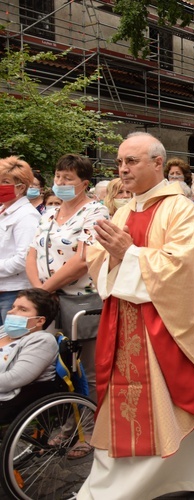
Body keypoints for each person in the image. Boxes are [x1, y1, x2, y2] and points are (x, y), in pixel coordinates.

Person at [78, 132, 194, 499]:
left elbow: (185, 269)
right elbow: (102, 261)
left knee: (174, 400)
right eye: (119, 163)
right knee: (134, 405)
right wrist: (111, 255)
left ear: (158, 163)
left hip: (171, 327)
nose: (123, 169)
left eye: (131, 161)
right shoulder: (126, 209)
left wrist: (129, 254)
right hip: (128, 325)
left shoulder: (180, 209)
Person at [26, 154, 109, 403]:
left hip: (81, 302)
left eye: (68, 178)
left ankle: (89, 426)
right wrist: (39, 290)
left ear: (84, 183)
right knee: (53, 367)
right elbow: (32, 254)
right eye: (58, 176)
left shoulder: (95, 211)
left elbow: (84, 260)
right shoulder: (49, 214)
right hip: (48, 300)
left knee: (86, 370)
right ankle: (61, 419)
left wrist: (44, 290)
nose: (60, 182)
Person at [0, 288, 62, 424]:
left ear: (40, 321)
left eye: (22, 309)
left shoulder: (42, 341)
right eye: (13, 307)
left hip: (10, 398)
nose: (11, 312)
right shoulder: (4, 331)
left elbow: (14, 379)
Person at [0, 157, 41, 323]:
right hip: (4, 290)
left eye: (4, 181)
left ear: (21, 187)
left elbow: (24, 258)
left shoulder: (27, 215)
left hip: (13, 293)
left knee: (9, 343)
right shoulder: (3, 210)